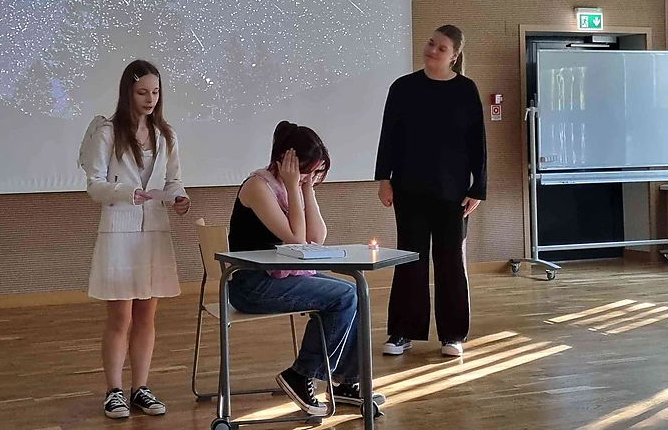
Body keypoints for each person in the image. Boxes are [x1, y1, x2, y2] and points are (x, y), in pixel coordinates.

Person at [227, 121, 384, 416]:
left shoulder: (293, 188)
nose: (309, 178)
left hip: (278, 278)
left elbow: (317, 237)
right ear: (284, 161)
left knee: (356, 292)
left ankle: (346, 381)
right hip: (251, 285)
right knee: (345, 297)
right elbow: (296, 238)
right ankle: (300, 375)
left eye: (315, 173)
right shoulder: (258, 186)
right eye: (306, 171)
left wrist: (306, 189)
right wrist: (293, 186)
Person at [77, 60, 192, 419]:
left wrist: (179, 198)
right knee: (120, 316)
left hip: (153, 231)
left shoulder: (165, 134)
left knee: (147, 314)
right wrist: (126, 192)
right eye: (143, 92)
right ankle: (113, 390)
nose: (150, 99)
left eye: (155, 92)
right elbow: (94, 185)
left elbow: (172, 179)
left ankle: (140, 387)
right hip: (119, 229)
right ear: (127, 91)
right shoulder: (108, 132)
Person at [375, 24, 487, 358]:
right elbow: (389, 136)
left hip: (454, 192)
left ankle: (453, 334)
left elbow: (478, 144)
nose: (432, 50)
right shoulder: (403, 87)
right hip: (408, 188)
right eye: (430, 43)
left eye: (441, 48)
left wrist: (478, 188)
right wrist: (384, 178)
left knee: (451, 262)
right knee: (410, 258)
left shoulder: (466, 90)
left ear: (454, 56)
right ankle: (402, 332)